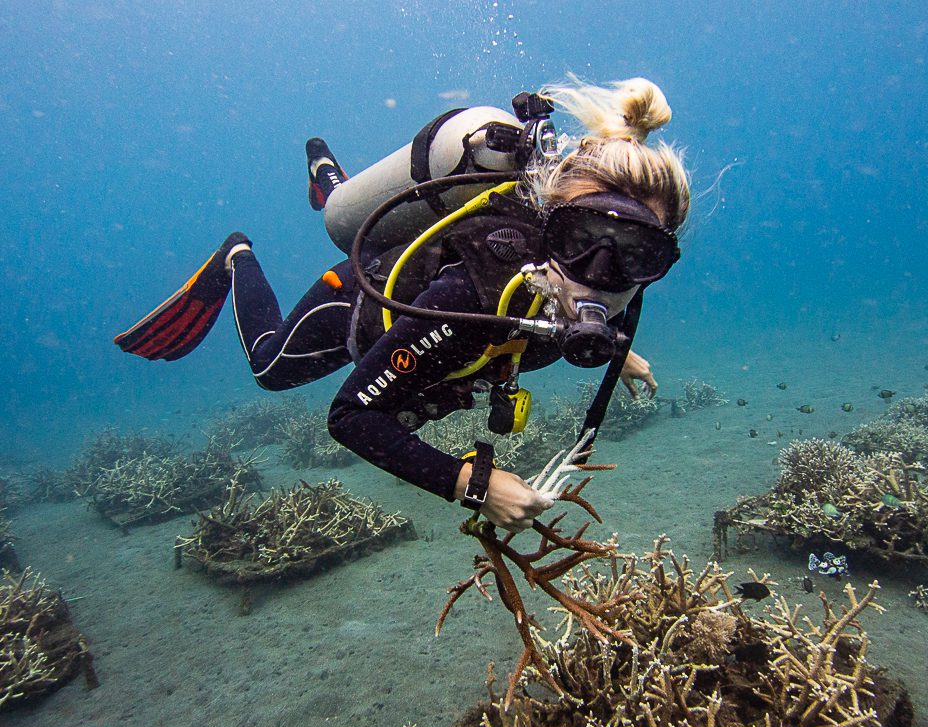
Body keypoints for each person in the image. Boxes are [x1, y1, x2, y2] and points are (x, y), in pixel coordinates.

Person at [115, 77, 690, 532]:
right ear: (547, 226)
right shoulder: (471, 295)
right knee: (270, 370)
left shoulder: (613, 302)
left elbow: (591, 304)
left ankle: (333, 183)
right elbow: (350, 417)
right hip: (353, 305)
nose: (598, 276)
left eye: (637, 256)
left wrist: (621, 348)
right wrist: (474, 484)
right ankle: (238, 256)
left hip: (445, 332)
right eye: (579, 240)